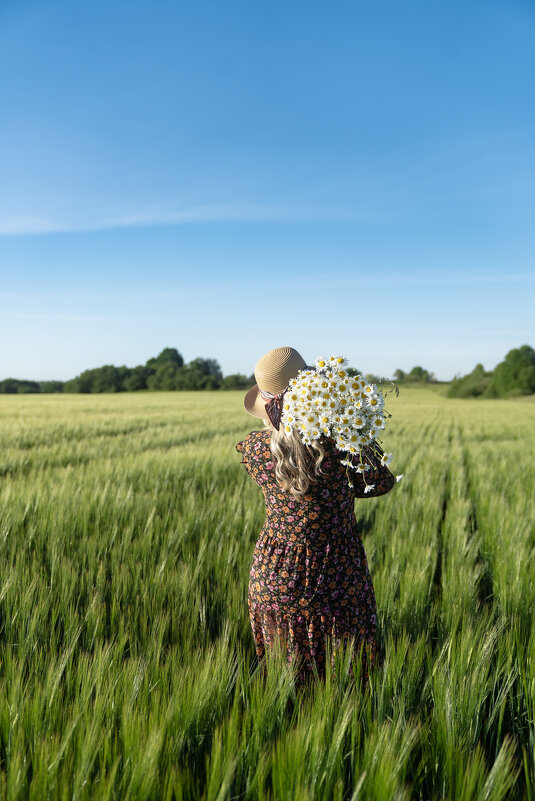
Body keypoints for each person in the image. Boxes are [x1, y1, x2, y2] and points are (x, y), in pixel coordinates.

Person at [236, 345, 397, 689]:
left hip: (274, 574)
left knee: (284, 682)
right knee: (346, 679)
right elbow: (380, 483)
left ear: (267, 404)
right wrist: (356, 430)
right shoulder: (341, 445)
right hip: (336, 574)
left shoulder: (252, 449)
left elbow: (292, 472)